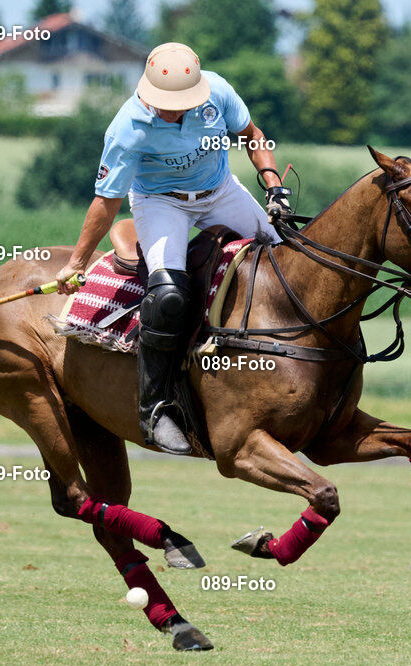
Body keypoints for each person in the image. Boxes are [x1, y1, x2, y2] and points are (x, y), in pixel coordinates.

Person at [55, 42, 292, 455]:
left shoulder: (216, 91)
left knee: (289, 265)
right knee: (167, 296)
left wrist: (274, 187)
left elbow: (253, 136)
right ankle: (155, 408)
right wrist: (76, 263)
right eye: (167, 103)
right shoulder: (128, 127)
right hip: (160, 201)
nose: (173, 110)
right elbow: (107, 201)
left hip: (220, 190)